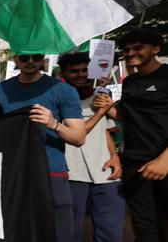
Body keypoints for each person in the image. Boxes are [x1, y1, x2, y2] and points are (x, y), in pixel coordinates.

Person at [0, 53, 85, 242]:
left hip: (52, 173)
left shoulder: (63, 90)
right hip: (15, 174)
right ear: (16, 59)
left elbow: (79, 137)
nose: (29, 62)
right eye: (24, 57)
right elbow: (0, 130)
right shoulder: (1, 89)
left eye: (35, 57)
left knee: (60, 234)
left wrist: (54, 124)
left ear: (43, 59)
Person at [58, 52, 124, 242]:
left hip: (106, 174)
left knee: (110, 233)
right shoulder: (57, 100)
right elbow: (77, 134)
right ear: (63, 73)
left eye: (84, 70)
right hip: (73, 175)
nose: (80, 74)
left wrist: (114, 156)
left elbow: (106, 131)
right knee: (71, 233)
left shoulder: (100, 97)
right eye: (74, 71)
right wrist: (100, 112)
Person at [112, 28, 168, 241]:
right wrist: (107, 108)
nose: (131, 53)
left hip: (164, 160)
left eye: (138, 48)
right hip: (134, 163)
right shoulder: (130, 82)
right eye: (127, 50)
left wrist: (165, 159)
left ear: (156, 49)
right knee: (144, 225)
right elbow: (129, 117)